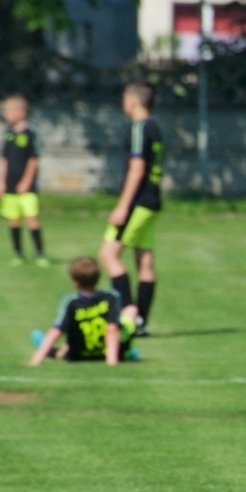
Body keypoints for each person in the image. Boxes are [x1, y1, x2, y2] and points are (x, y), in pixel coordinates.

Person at [101, 81, 163, 335]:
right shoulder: (155, 127)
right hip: (153, 201)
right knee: (144, 259)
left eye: (125, 99)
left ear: (134, 101)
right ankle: (142, 323)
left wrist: (122, 206)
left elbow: (137, 169)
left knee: (108, 254)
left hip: (138, 202)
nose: (123, 104)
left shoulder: (139, 128)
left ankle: (128, 313)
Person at [29, 256, 137, 365]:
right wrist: (112, 361)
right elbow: (112, 329)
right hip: (106, 352)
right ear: (98, 278)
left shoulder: (71, 301)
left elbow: (56, 331)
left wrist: (36, 360)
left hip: (78, 354)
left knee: (74, 332)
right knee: (131, 310)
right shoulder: (111, 297)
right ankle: (126, 352)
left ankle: (55, 351)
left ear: (75, 282)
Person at [0, 94, 47, 266]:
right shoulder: (8, 133)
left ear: (21, 112)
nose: (5, 115)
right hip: (10, 186)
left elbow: (33, 160)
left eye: (8, 111)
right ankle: (18, 254)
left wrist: (26, 181)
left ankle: (40, 254)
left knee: (32, 218)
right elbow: (4, 159)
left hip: (27, 187)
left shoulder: (31, 133)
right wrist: (1, 181)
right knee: (13, 219)